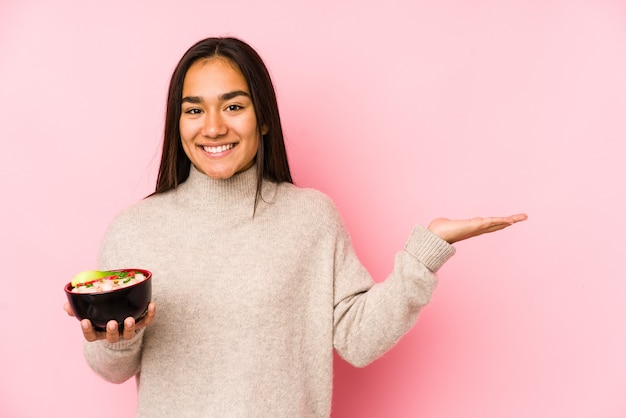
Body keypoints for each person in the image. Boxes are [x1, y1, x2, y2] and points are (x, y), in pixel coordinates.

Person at [64, 37, 527, 417]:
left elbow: (358, 340)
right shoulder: (136, 229)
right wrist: (116, 341)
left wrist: (427, 251)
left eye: (233, 106)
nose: (212, 127)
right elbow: (111, 370)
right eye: (193, 110)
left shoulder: (310, 218)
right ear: (177, 122)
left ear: (263, 117)